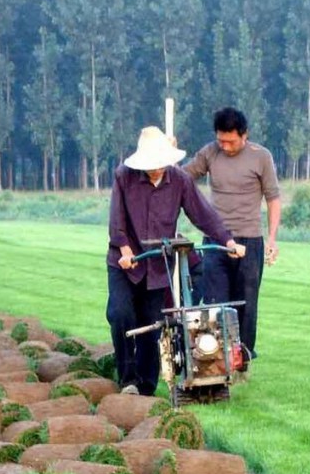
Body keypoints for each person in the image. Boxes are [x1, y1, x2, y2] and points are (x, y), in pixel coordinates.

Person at [106, 126, 242, 395]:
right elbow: (116, 219)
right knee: (121, 315)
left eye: (160, 164)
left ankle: (145, 387)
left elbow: (204, 215)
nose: (156, 169)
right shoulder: (124, 177)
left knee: (153, 325)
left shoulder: (180, 181)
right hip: (125, 263)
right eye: (151, 165)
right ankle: (128, 379)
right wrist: (124, 249)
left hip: (157, 265)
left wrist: (228, 241)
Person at [184, 107, 280, 365]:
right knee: (216, 305)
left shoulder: (261, 157)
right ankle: (214, 359)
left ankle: (242, 360)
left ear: (244, 135)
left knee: (246, 306)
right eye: (221, 140)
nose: (225, 146)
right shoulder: (209, 153)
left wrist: (272, 239)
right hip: (216, 241)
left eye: (231, 141)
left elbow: (273, 198)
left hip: (249, 242)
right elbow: (182, 177)